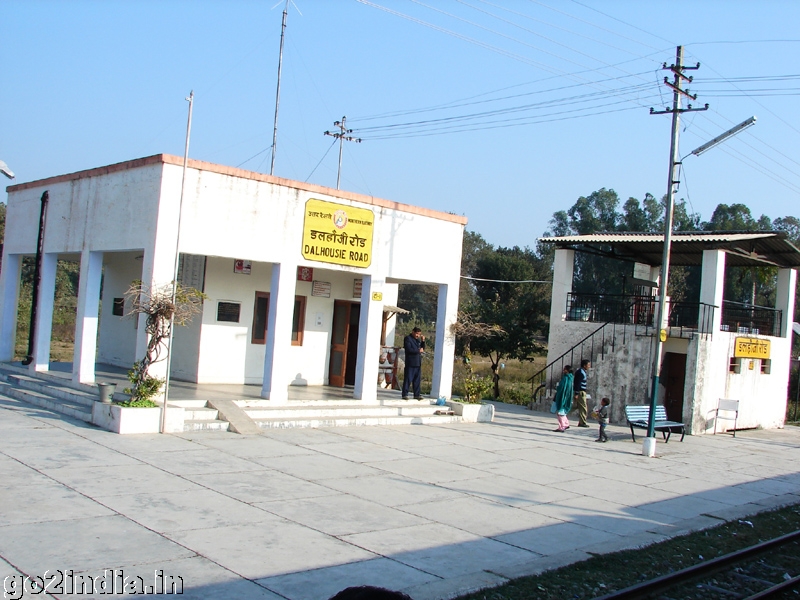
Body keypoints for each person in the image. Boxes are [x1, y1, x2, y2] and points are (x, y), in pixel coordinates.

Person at [401, 327, 425, 399]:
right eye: (417, 333)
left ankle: (417, 394)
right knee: (408, 379)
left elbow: (422, 348)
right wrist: (418, 351)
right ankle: (405, 394)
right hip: (410, 362)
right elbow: (409, 349)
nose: (417, 335)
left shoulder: (417, 341)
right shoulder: (408, 339)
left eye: (419, 334)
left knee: (417, 380)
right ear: (413, 332)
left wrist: (423, 341)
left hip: (417, 363)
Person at [553, 365, 574, 432]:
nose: (563, 371)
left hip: (562, 396)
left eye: (564, 369)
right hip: (567, 396)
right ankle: (566, 423)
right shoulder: (571, 378)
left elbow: (561, 388)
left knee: (560, 412)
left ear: (567, 370)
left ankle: (562, 426)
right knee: (563, 411)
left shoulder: (565, 378)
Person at [573, 359, 591, 427]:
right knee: (583, 407)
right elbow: (577, 383)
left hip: (582, 391)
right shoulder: (580, 372)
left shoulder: (582, 372)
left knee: (577, 406)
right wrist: (577, 393)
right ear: (584, 365)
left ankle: (563, 415)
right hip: (580, 392)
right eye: (588, 365)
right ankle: (582, 422)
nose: (589, 366)